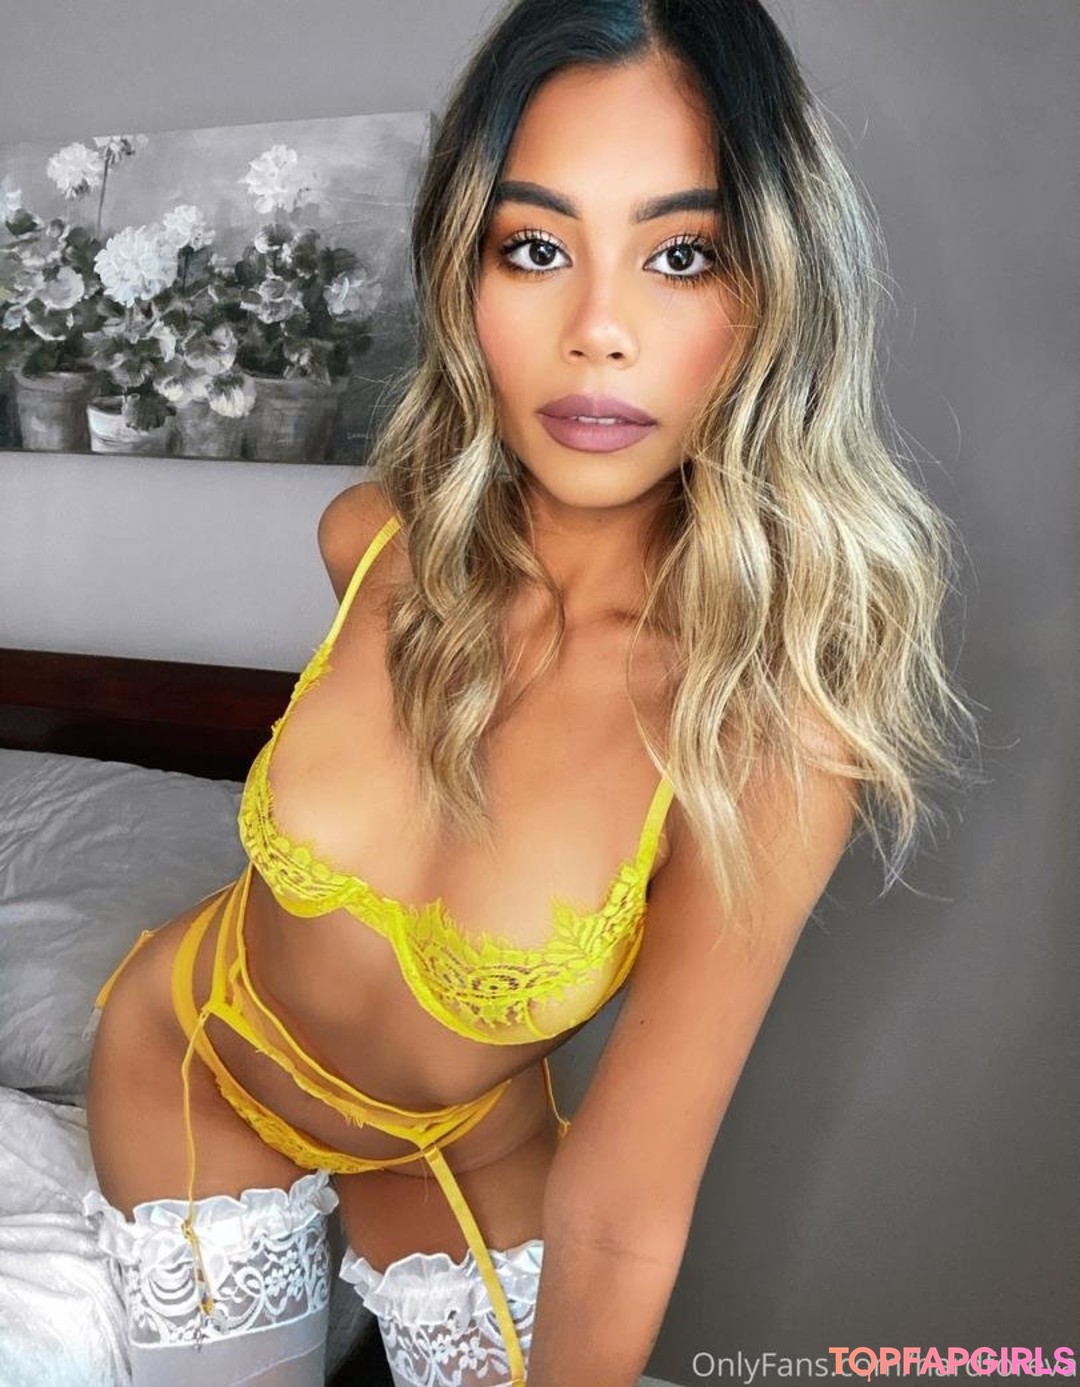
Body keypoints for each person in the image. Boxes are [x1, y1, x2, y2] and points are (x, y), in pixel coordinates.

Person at [82, 1, 980, 1384]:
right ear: (466, 271)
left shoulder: (764, 730)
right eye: (537, 248)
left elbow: (624, 1209)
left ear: (778, 292)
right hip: (193, 1059)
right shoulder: (373, 543)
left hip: (462, 1145)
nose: (598, 331)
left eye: (682, 254)